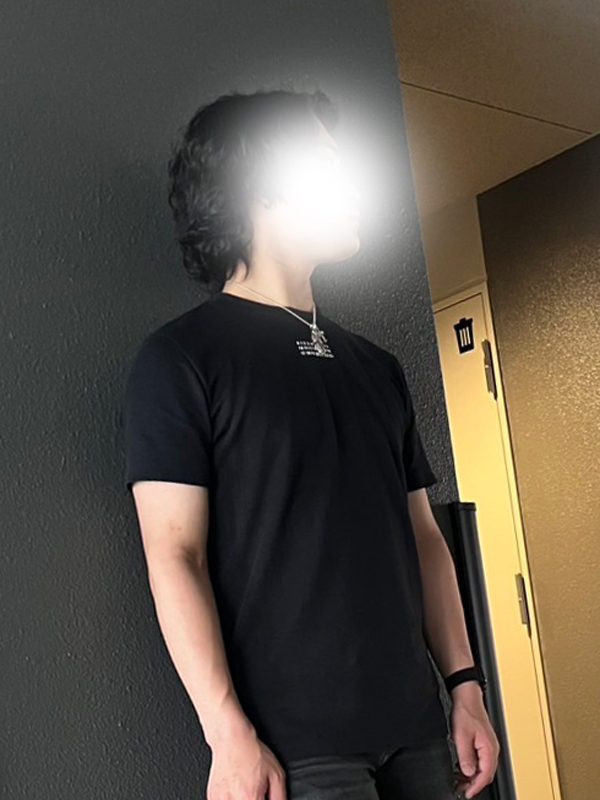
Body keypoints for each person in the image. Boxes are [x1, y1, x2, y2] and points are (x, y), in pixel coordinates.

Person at [121, 87, 500, 800]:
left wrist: (466, 686)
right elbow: (175, 555)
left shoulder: (377, 368)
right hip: (294, 748)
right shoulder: (180, 360)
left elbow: (424, 539)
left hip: (419, 728)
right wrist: (226, 731)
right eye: (325, 164)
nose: (348, 183)